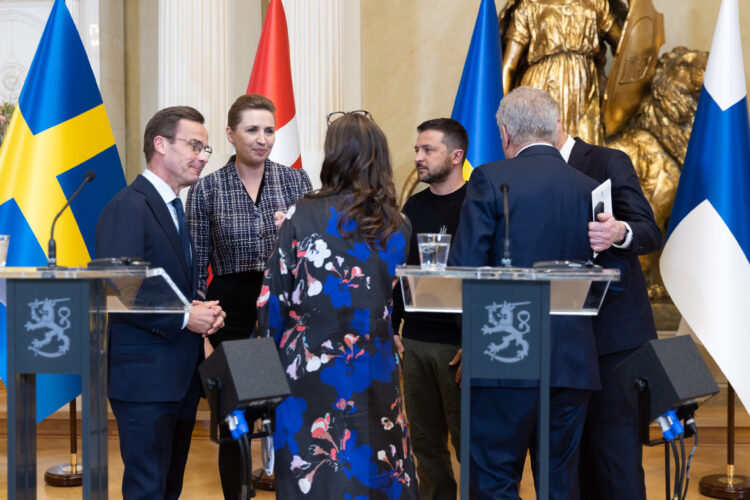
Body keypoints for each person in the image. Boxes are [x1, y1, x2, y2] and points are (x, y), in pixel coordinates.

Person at [448, 86, 600, 499]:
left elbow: (465, 268)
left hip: (503, 351)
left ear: (504, 134)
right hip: (571, 361)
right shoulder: (588, 187)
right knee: (560, 483)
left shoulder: (489, 178)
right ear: (554, 130)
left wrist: (470, 340)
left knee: (494, 478)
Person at [256, 111, 418, 499]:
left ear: (334, 156)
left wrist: (255, 388)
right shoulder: (399, 224)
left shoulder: (300, 214)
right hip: (373, 366)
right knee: (376, 464)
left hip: (307, 369)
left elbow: (270, 303)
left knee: (313, 468)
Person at [185, 93, 312, 498]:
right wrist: (203, 335)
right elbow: (195, 264)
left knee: (291, 416)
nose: (263, 139)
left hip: (286, 315)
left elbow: (313, 256)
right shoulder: (207, 189)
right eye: (252, 129)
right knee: (236, 422)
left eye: (269, 130)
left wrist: (292, 235)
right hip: (232, 318)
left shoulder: (297, 182)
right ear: (230, 134)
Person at [96, 106, 226, 500]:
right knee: (147, 490)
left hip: (178, 377)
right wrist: (187, 316)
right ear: (160, 145)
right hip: (144, 381)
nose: (203, 156)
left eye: (206, 148)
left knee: (168, 488)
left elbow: (171, 284)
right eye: (194, 145)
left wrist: (202, 313)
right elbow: (121, 286)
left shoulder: (173, 207)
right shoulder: (129, 205)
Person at [557, 130, 661, 500]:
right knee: (574, 463)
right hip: (562, 341)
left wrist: (619, 231)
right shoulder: (525, 172)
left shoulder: (607, 161)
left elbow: (650, 231)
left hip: (616, 341)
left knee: (617, 460)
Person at [391, 118, 467, 500]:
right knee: (424, 445)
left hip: (459, 347)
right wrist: (392, 327)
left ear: (456, 156)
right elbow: (398, 272)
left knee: (468, 445)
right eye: (417, 149)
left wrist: (477, 340)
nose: (418, 157)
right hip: (415, 341)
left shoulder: (477, 205)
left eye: (428, 150)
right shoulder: (413, 206)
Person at [501, 0, 621, 144]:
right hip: (543, 86)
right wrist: (503, 112)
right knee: (541, 145)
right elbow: (509, 65)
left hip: (582, 90)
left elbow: (626, 47)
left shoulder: (595, 3)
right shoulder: (529, 6)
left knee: (584, 149)